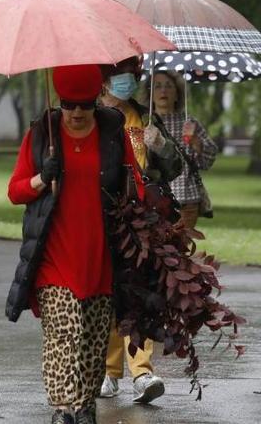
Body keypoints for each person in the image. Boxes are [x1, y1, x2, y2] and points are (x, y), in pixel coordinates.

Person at [7, 64, 143, 424]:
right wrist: (41, 178)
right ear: (60, 103)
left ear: (97, 99)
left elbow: (134, 185)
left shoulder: (113, 131)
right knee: (65, 332)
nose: (77, 113)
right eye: (69, 104)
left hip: (100, 254)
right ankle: (62, 407)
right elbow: (14, 191)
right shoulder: (41, 134)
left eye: (84, 104)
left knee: (95, 338)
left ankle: (84, 405)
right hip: (55, 255)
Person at [97, 58, 184, 403]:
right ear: (104, 80)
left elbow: (173, 168)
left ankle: (143, 372)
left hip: (143, 217)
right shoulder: (89, 115)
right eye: (122, 75)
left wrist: (161, 146)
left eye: (133, 76)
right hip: (103, 215)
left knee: (137, 293)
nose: (129, 81)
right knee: (106, 293)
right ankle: (107, 370)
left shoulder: (144, 115)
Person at [150, 70, 218, 231]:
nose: (163, 91)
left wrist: (196, 142)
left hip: (186, 198)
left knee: (181, 248)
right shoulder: (145, 122)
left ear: (177, 93)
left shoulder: (189, 123)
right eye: (157, 86)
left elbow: (208, 159)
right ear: (150, 93)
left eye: (169, 86)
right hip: (153, 198)